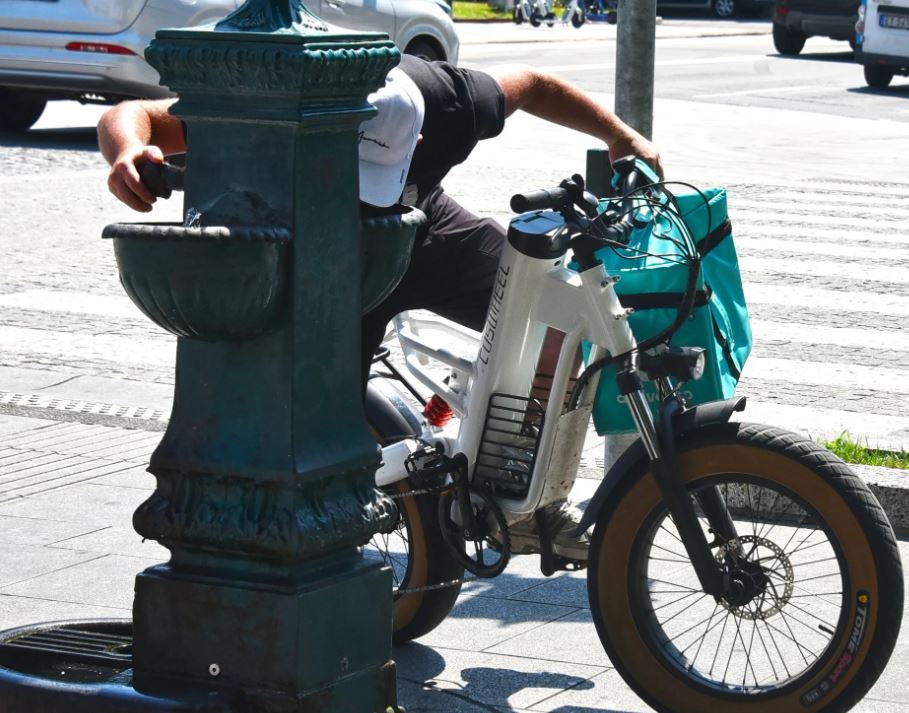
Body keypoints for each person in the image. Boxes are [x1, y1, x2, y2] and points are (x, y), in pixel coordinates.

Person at [98, 55, 662, 561]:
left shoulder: (450, 100)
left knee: (555, 322)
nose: (363, 186)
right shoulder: (281, 107)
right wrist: (128, 150)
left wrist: (621, 136)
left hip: (424, 229)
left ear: (416, 139)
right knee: (321, 415)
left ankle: (520, 496)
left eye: (375, 174)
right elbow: (135, 113)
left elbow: (536, 84)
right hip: (329, 261)